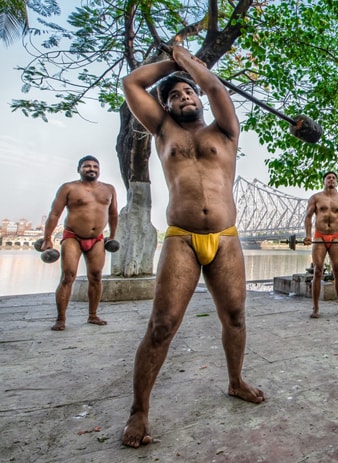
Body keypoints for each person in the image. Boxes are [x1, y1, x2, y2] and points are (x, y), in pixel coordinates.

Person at [121, 45, 264, 448]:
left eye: (188, 92)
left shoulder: (225, 130)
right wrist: (175, 62)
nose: (184, 97)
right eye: (174, 96)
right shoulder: (163, 131)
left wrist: (191, 65)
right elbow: (131, 82)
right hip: (181, 238)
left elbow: (215, 88)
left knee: (235, 316)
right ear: (166, 107)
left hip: (226, 238)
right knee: (162, 325)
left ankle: (235, 381)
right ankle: (139, 411)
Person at [41, 155, 118, 331]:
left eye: (95, 166)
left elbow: (113, 214)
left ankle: (93, 315)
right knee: (68, 276)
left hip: (97, 239)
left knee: (96, 276)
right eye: (87, 166)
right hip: (72, 237)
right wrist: (47, 239)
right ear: (79, 169)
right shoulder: (69, 188)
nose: (91, 169)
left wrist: (112, 236)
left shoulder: (109, 189)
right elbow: (55, 214)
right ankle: (61, 319)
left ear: (99, 170)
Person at [303, 171, 338, 318]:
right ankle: (316, 308)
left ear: (336, 182)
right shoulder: (316, 198)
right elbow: (308, 217)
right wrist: (307, 235)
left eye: (333, 178)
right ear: (324, 181)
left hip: (336, 236)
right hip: (319, 236)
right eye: (328, 178)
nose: (331, 179)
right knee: (318, 271)